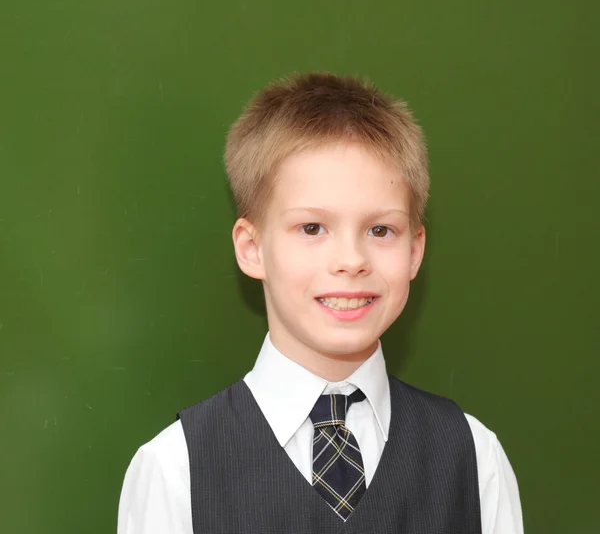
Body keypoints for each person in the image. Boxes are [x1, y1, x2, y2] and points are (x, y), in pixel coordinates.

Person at [117, 72, 524, 533]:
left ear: (414, 250)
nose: (351, 261)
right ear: (252, 249)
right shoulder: (176, 468)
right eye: (312, 228)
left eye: (380, 230)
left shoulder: (473, 455)